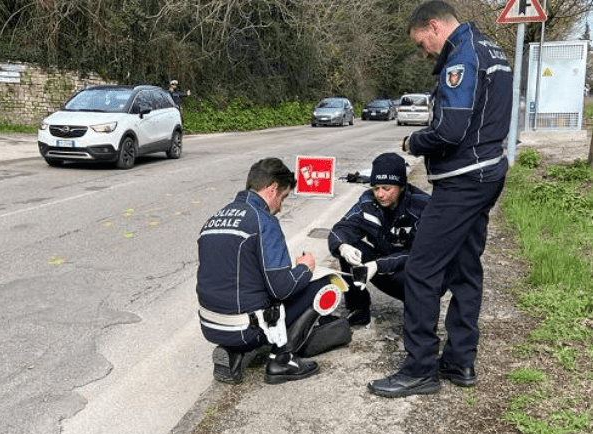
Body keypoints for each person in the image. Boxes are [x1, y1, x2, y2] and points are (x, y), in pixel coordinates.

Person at [368, 0, 513, 398]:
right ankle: (459, 360)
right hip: (487, 173)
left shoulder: (462, 58)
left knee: (420, 271)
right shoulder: (489, 48)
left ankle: (420, 369)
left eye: (422, 44)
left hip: (463, 180)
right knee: (466, 270)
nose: (424, 52)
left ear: (434, 26)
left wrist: (413, 141)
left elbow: (450, 130)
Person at [197, 158, 347, 385]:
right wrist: (304, 268)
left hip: (211, 325)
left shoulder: (213, 219)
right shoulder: (262, 220)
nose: (280, 207)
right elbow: (282, 288)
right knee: (326, 284)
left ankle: (232, 352)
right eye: (283, 197)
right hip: (246, 329)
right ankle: (282, 359)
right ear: (273, 188)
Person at [328, 152, 430, 327]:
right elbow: (342, 228)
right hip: (380, 265)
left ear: (402, 186)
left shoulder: (422, 206)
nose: (380, 194)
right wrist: (343, 246)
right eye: (376, 188)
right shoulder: (368, 201)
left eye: (387, 188)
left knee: (417, 325)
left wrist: (379, 265)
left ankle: (418, 317)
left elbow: (420, 254)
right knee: (348, 246)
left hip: (412, 273)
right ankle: (358, 308)